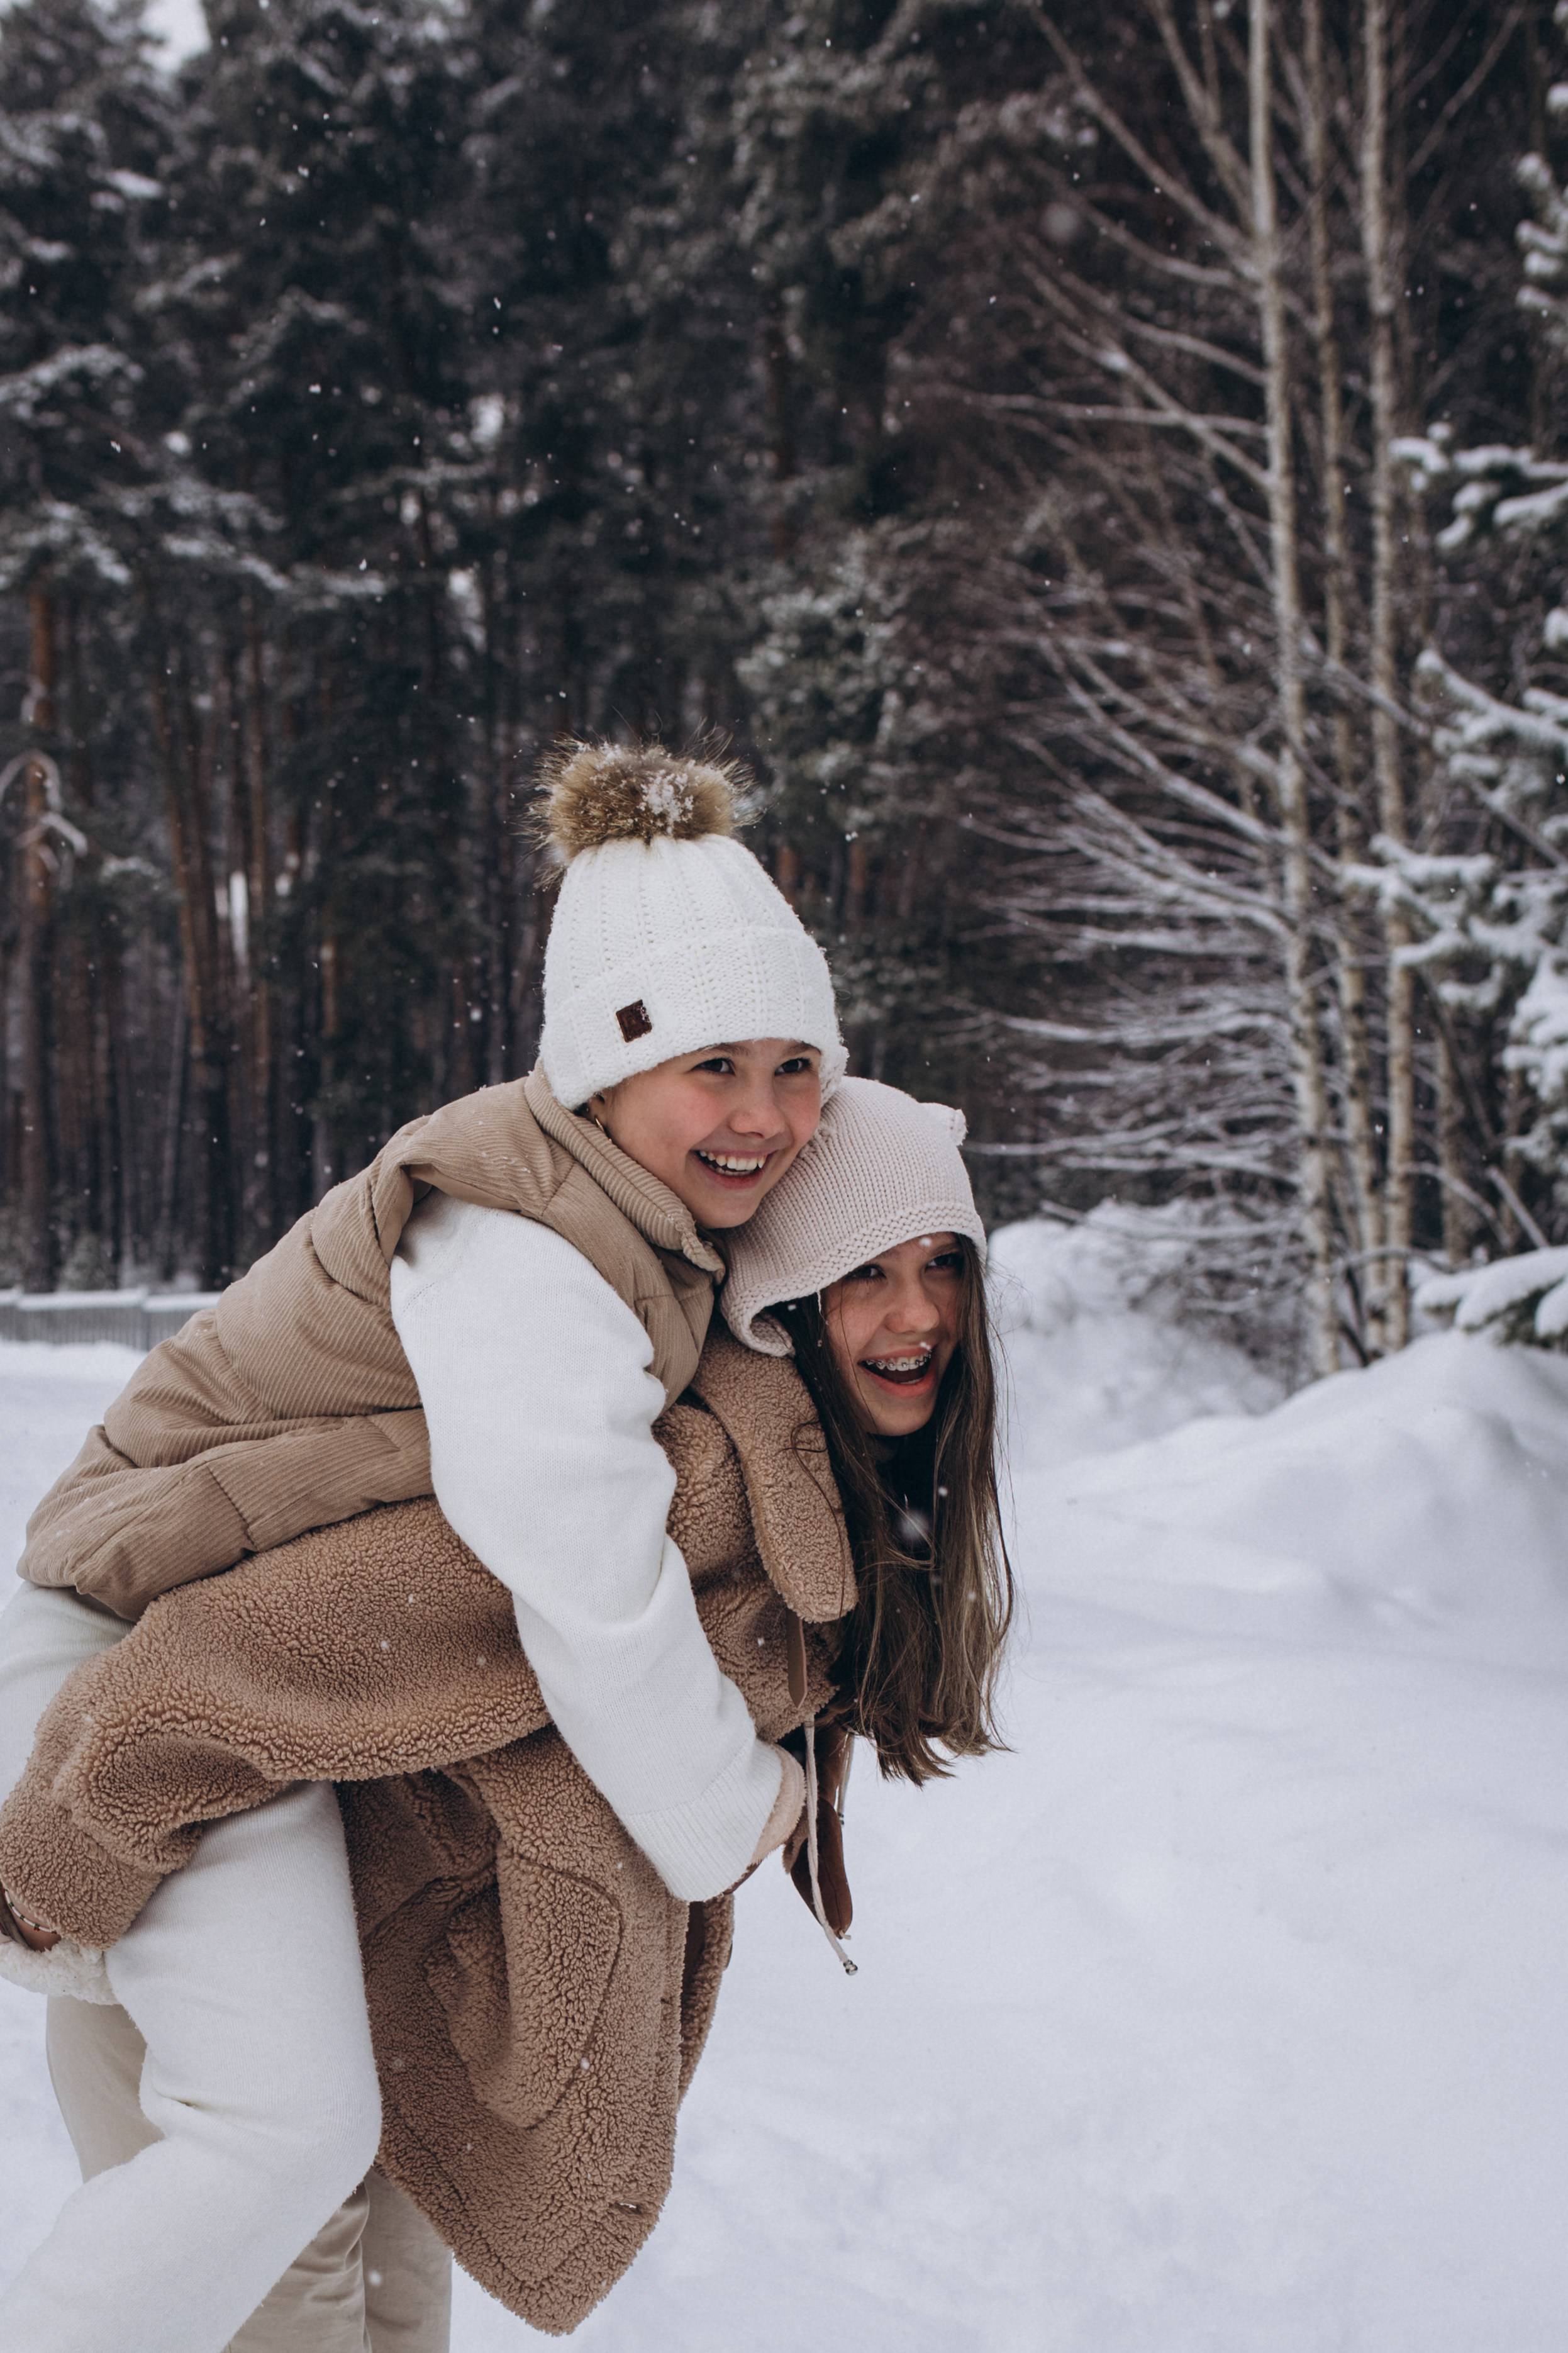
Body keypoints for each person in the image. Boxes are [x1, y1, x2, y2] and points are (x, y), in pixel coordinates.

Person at [0, 739, 844, 2353]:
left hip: (282, 1686)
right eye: (712, 1067)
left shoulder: (646, 1218)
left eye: (793, 1064)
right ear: (604, 1067)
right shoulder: (521, 1244)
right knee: (288, 2135)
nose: (763, 1113)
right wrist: (736, 1806)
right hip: (133, 1662)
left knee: (382, 2185)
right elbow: (587, 1573)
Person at [0, 1077, 1013, 2352]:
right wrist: (67, 1852)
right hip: (236, 1974)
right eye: (863, 1271)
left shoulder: (817, 1485)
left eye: (942, 1263)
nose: (917, 1311)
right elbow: (253, 1645)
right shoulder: (673, 1483)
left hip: (391, 1990)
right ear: (784, 1302)